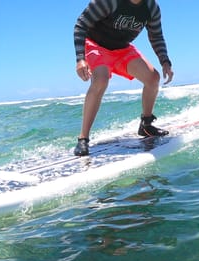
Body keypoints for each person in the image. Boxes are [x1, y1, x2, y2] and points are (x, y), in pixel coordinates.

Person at [72, 0, 174, 156]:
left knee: (153, 78)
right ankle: (83, 139)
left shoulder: (151, 8)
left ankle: (146, 124)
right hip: (95, 45)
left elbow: (156, 36)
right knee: (101, 80)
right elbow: (81, 25)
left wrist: (165, 61)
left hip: (122, 49)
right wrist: (80, 58)